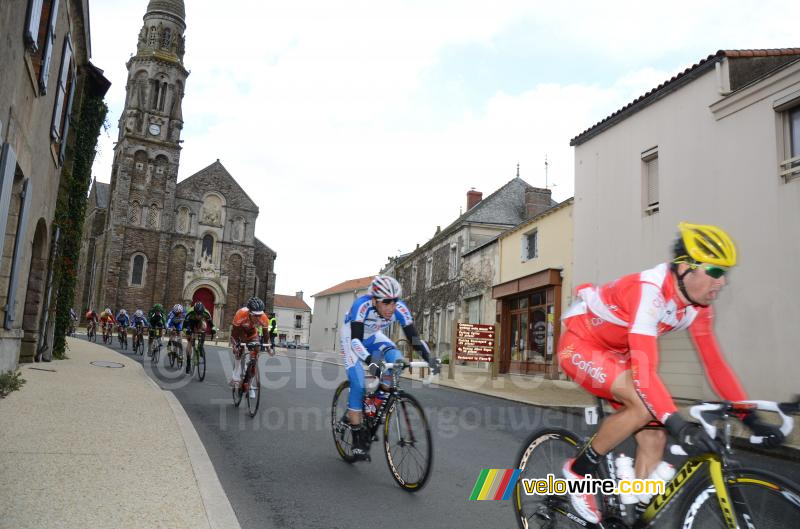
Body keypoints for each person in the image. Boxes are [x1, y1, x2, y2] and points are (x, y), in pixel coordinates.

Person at [557, 222, 784, 523]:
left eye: (725, 273)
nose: (723, 282)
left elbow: (714, 363)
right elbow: (646, 373)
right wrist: (679, 424)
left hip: (619, 354)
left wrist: (750, 416)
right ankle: (578, 472)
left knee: (654, 440)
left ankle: (632, 519)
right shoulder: (649, 292)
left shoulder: (699, 307)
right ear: (685, 268)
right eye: (715, 272)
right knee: (643, 404)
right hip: (581, 344)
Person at [340, 275, 440, 460]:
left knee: (396, 361)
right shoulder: (361, 306)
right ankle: (357, 440)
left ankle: (375, 401)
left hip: (373, 336)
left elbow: (413, 338)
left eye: (394, 301)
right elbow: (355, 341)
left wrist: (430, 359)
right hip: (353, 338)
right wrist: (372, 364)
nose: (391, 307)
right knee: (359, 383)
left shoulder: (400, 308)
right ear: (374, 300)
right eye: (386, 302)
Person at [229, 297, 273, 386]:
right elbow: (234, 334)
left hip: (251, 331)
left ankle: (250, 382)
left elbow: (266, 335)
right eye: (255, 315)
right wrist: (235, 345)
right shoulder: (240, 314)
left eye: (259, 315)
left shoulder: (263, 317)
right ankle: (235, 373)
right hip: (240, 331)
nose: (257, 318)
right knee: (240, 350)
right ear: (249, 312)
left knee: (256, 349)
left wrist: (269, 347)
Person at [183, 302, 217, 373]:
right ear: (194, 312)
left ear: (202, 312)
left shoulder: (206, 313)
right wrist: (187, 331)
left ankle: (200, 346)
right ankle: (188, 362)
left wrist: (213, 330)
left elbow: (213, 325)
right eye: (197, 314)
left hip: (200, 323)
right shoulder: (189, 313)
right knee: (190, 341)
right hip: (191, 323)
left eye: (200, 314)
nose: (198, 316)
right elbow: (184, 327)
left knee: (203, 327)